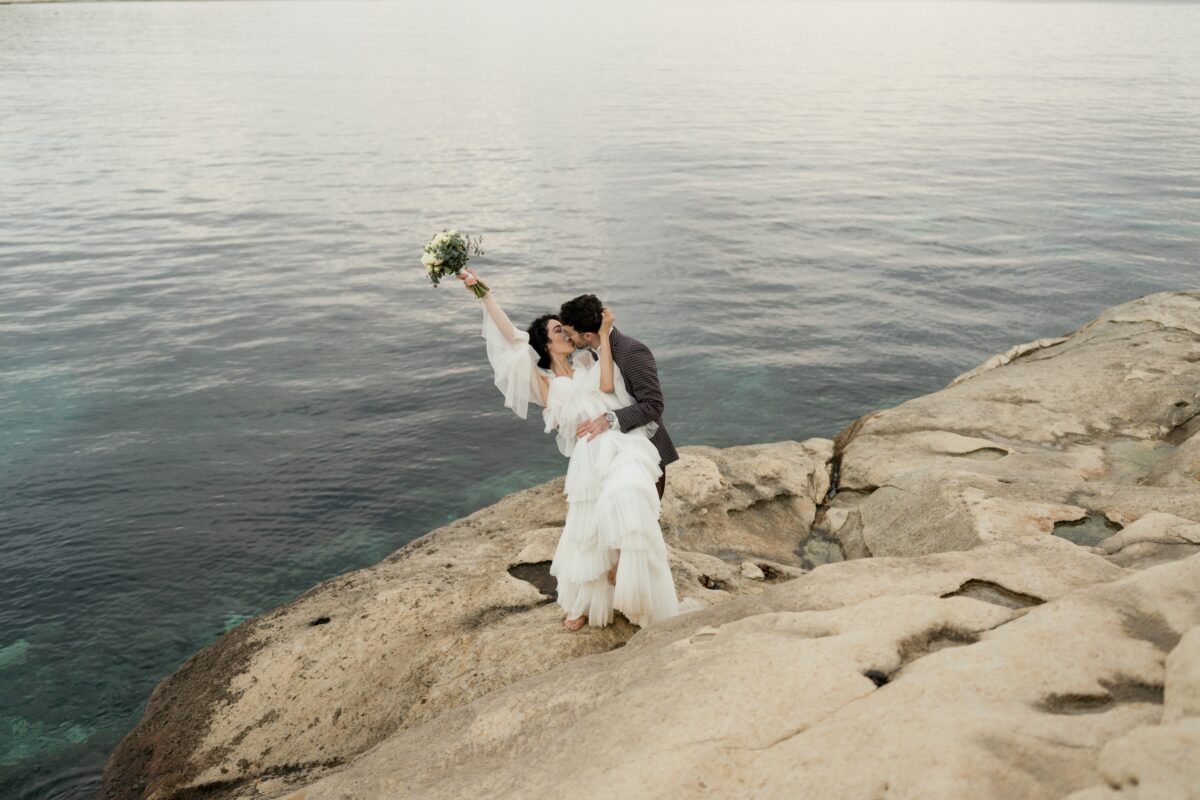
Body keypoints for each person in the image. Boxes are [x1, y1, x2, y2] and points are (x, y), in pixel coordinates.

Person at [458, 269, 679, 632]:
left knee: (629, 498)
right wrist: (483, 293)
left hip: (619, 441)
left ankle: (627, 575)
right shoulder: (543, 381)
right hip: (589, 455)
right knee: (586, 526)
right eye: (557, 331)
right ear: (545, 345)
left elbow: (608, 385)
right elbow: (512, 337)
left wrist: (605, 335)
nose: (565, 333)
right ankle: (583, 602)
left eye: (567, 329)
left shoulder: (589, 361)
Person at [558, 295, 678, 499]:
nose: (567, 338)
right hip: (609, 456)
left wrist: (609, 419)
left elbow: (654, 405)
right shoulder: (592, 354)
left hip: (643, 455)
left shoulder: (631, 351)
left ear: (588, 335)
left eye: (569, 333)